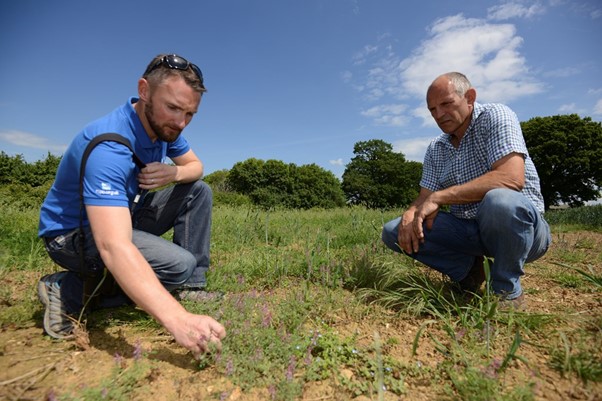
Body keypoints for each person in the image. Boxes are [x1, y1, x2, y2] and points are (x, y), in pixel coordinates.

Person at [37, 53, 225, 357]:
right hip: (72, 235)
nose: (181, 122)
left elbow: (196, 167)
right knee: (178, 264)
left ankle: (192, 287)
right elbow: (113, 244)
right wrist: (178, 320)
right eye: (174, 108)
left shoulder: (164, 127)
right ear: (144, 91)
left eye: (190, 114)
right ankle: (70, 290)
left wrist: (173, 172)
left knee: (197, 190)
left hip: (125, 213)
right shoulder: (109, 146)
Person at [381, 72, 551, 308]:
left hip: (522, 232)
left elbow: (511, 178)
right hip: (469, 231)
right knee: (393, 230)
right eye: (432, 110)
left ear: (469, 97)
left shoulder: (496, 116)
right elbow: (424, 197)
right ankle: (471, 271)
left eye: (446, 104)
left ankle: (506, 291)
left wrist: (442, 197)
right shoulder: (436, 147)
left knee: (500, 200)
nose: (439, 115)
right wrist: (411, 212)